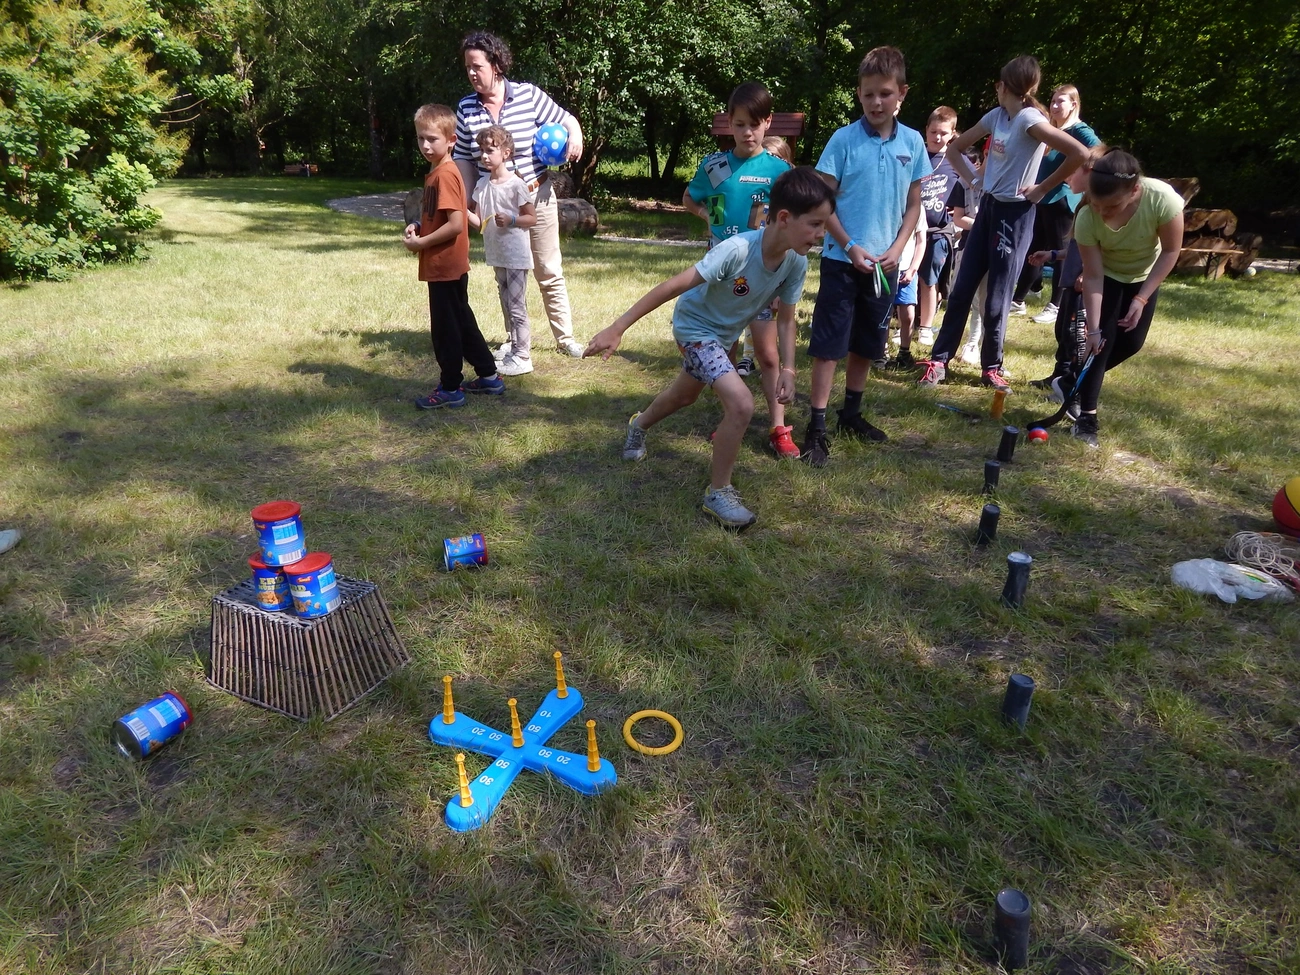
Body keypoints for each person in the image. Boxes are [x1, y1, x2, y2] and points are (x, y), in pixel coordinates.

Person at [584, 167, 835, 529]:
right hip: (695, 329)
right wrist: (617, 327)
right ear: (784, 218)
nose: (822, 233)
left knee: (684, 396)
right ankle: (718, 493)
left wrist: (789, 369)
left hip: (724, 335)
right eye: (815, 224)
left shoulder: (795, 263)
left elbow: (786, 320)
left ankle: (639, 424)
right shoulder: (736, 250)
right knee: (741, 403)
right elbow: (673, 286)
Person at [916, 55, 1089, 391]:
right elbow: (956, 149)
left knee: (997, 296)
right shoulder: (996, 116)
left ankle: (991, 367)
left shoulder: (1030, 120)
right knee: (962, 289)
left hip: (1016, 215)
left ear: (1002, 86)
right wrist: (974, 181)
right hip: (989, 209)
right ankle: (939, 361)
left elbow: (1079, 154)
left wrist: (1042, 188)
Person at [802, 46, 931, 467]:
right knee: (829, 345)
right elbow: (824, 202)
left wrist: (897, 249)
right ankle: (817, 426)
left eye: (885, 94)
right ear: (858, 94)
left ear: (902, 94)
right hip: (843, 260)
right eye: (869, 94)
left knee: (867, 342)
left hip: (885, 265)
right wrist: (850, 245)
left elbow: (914, 205)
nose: (877, 102)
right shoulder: (843, 140)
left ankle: (851, 414)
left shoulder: (913, 142)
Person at [454, 31, 586, 359]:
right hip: (496, 204)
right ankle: (514, 338)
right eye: (467, 67)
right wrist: (466, 200)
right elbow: (464, 158)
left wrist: (576, 136)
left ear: (496, 64)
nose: (471, 73)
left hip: (535, 197)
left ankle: (565, 338)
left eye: (477, 66)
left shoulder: (528, 95)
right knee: (506, 272)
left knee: (548, 269)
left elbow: (566, 119)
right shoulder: (466, 108)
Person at [682, 82, 797, 458]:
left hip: (763, 277)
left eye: (755, 124)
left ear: (768, 123)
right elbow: (690, 198)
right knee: (725, 353)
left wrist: (781, 284)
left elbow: (789, 222)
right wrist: (707, 216)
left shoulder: (779, 171)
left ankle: (778, 427)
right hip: (722, 277)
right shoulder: (714, 166)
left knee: (767, 354)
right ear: (729, 123)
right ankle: (732, 415)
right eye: (739, 124)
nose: (747, 132)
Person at [1065, 149, 1185, 447]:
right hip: (1107, 275)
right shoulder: (1086, 217)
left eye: (1112, 206)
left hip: (1144, 275)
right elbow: (1093, 276)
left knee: (1132, 343)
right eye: (1097, 205)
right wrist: (1093, 330)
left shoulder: (1163, 200)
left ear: (1134, 190)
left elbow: (1171, 250)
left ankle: (1070, 382)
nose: (1103, 213)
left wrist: (1141, 298)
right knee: (1101, 345)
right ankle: (1086, 420)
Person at [405, 105, 504, 409]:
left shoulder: (446, 174)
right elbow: (438, 215)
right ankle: (489, 376)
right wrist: (419, 224)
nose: (425, 145)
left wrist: (421, 244)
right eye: (421, 138)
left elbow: (456, 224)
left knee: (446, 330)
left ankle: (450, 388)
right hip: (448, 265)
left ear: (451, 140)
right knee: (461, 321)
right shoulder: (438, 172)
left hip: (444, 265)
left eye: (432, 139)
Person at [1011, 84, 1102, 323]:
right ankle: (1018, 300)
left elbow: (1099, 152)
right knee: (1034, 250)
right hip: (1042, 199)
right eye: (1052, 101)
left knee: (1062, 252)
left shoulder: (1079, 130)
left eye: (1060, 101)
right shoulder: (1051, 130)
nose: (1054, 106)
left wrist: (1075, 175)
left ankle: (1056, 305)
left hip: (1062, 200)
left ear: (1074, 104)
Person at [465, 125, 537, 377]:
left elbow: (531, 218)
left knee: (517, 306)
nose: (484, 156)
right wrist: (459, 209)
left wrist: (512, 220)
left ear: (506, 153)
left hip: (516, 255)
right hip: (497, 254)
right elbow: (479, 222)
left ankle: (523, 356)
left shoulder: (517, 184)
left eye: (490, 150)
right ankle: (513, 346)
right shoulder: (482, 184)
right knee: (506, 303)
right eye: (482, 150)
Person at [914, 106, 967, 349]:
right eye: (933, 132)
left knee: (929, 278)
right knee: (907, 276)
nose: (937, 137)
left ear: (953, 133)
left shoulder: (956, 160)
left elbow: (975, 182)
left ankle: (925, 326)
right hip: (912, 229)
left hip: (939, 230)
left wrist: (961, 210)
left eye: (943, 133)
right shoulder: (916, 156)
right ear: (926, 130)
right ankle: (906, 322)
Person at [884, 209, 926, 369]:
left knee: (908, 314)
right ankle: (881, 351)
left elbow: (921, 241)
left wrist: (913, 269)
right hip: (885, 268)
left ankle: (904, 352)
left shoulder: (918, 209)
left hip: (907, 269)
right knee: (884, 313)